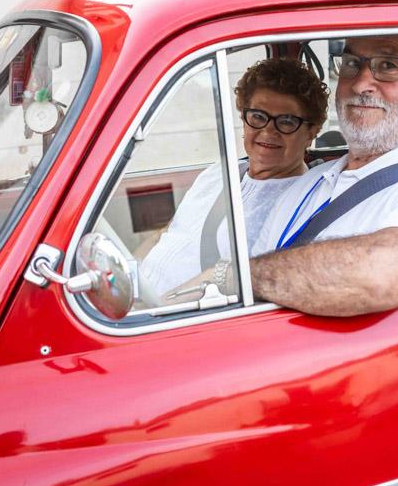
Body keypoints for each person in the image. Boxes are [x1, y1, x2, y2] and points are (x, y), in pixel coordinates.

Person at [247, 34, 398, 316]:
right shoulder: (313, 179)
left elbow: (380, 275)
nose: (360, 84)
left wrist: (239, 278)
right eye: (352, 63)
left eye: (388, 65)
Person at [139, 58, 329, 304]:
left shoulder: (302, 204)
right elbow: (167, 233)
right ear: (244, 117)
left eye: (286, 122)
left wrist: (154, 309)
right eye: (258, 116)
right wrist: (126, 273)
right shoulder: (219, 172)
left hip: (178, 317)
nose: (268, 131)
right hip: (137, 302)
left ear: (312, 132)